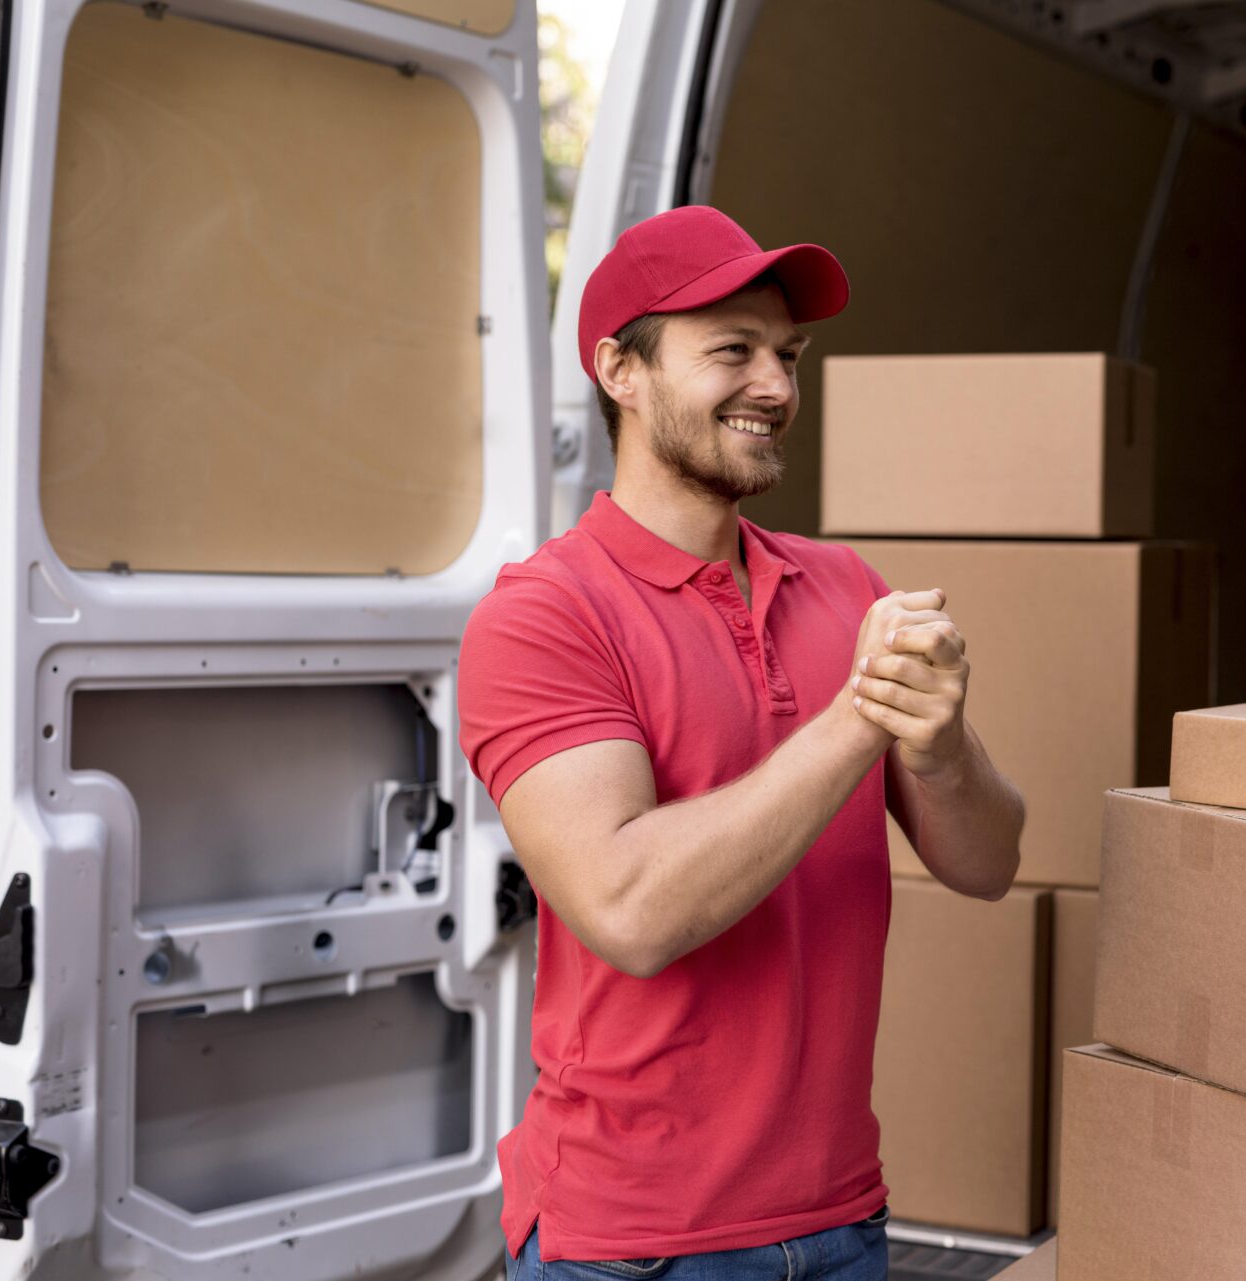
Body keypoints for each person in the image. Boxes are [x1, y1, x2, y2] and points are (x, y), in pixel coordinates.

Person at [458, 205, 1025, 1280]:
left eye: (788, 355)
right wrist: (860, 714)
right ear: (620, 370)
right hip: (637, 1245)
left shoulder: (843, 586)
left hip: (845, 1220)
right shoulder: (546, 616)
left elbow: (987, 863)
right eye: (733, 350)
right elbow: (629, 910)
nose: (776, 385)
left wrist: (941, 745)